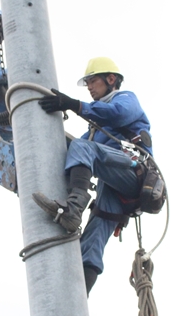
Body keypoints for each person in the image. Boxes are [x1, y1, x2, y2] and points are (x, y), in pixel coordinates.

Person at [33, 57, 152, 295]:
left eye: (92, 81)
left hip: (133, 171)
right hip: (113, 186)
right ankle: (73, 302)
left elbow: (116, 114)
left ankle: (74, 207)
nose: (89, 87)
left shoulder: (125, 99)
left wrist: (75, 105)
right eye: (87, 82)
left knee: (82, 148)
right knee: (92, 240)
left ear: (110, 79)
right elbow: (78, 152)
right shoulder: (94, 130)